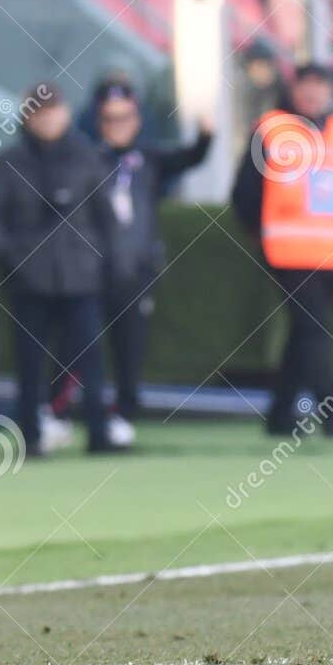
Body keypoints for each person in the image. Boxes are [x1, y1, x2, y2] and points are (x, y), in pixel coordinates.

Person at [51, 82, 212, 444]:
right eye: (109, 119)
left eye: (124, 117)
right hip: (92, 272)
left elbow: (190, 158)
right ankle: (58, 411)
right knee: (78, 345)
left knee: (130, 349)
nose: (117, 125)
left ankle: (123, 415)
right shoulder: (87, 160)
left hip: (136, 271)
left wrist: (206, 134)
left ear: (137, 120)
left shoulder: (149, 159)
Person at [0, 84, 116, 457]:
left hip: (80, 280)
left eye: (53, 110)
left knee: (89, 360)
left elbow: (106, 220)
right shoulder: (9, 162)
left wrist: (98, 261)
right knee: (28, 364)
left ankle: (98, 435)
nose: (48, 119)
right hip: (30, 283)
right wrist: (14, 258)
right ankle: (31, 437)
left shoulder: (87, 159)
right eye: (40, 112)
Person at [231, 64, 333, 434]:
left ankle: (279, 415)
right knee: (313, 329)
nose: (312, 94)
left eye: (319, 86)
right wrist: (261, 236)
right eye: (305, 86)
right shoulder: (273, 129)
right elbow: (245, 192)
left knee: (304, 331)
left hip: (332, 253)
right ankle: (332, 412)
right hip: (287, 253)